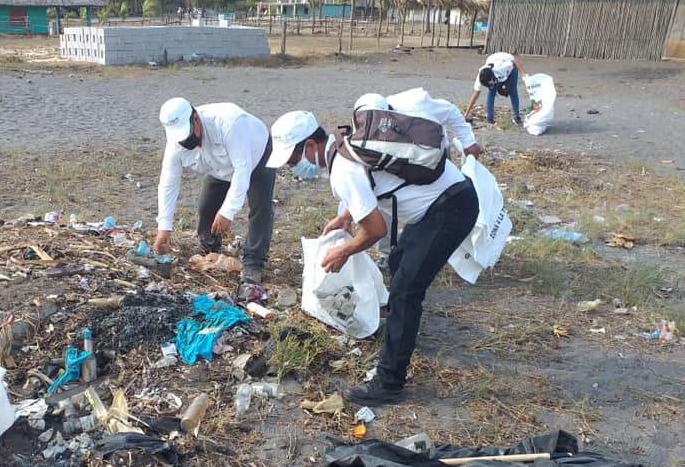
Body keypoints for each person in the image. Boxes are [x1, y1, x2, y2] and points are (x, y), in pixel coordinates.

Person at [266, 89, 481, 406]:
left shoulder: (341, 169)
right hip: (447, 200)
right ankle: (401, 335)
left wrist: (344, 251)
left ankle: (389, 382)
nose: (294, 167)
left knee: (407, 289)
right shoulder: (348, 140)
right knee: (398, 260)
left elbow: (375, 230)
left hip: (451, 210)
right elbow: (375, 183)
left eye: (294, 158)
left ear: (310, 146)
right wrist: (344, 216)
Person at [155, 97, 276, 284]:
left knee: (260, 207)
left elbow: (242, 169)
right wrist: (164, 227)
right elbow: (168, 182)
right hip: (218, 166)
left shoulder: (229, 123)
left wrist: (228, 211)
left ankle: (254, 263)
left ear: (195, 119)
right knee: (206, 207)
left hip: (256, 155)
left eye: (186, 135)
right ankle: (209, 250)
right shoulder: (176, 143)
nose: (185, 141)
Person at [463, 52, 528, 127]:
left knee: (513, 91)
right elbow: (475, 95)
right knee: (491, 93)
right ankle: (490, 119)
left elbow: (515, 61)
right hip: (495, 65)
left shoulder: (503, 67)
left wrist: (523, 74)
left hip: (510, 67)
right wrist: (466, 113)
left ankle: (516, 117)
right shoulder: (481, 77)